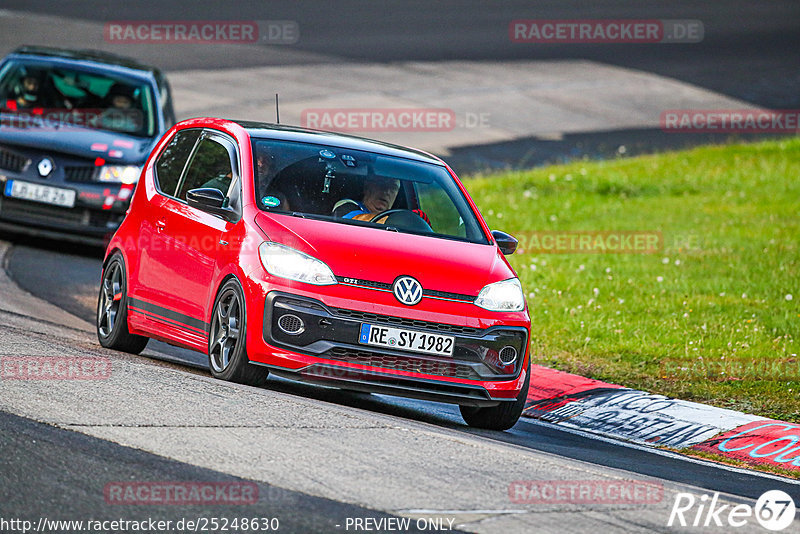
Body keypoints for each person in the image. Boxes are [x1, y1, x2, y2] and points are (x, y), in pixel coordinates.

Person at [332, 176, 429, 226]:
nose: (386, 191)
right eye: (381, 184)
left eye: (393, 187)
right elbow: (353, 220)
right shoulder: (346, 205)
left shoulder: (398, 223)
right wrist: (407, 220)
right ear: (367, 186)